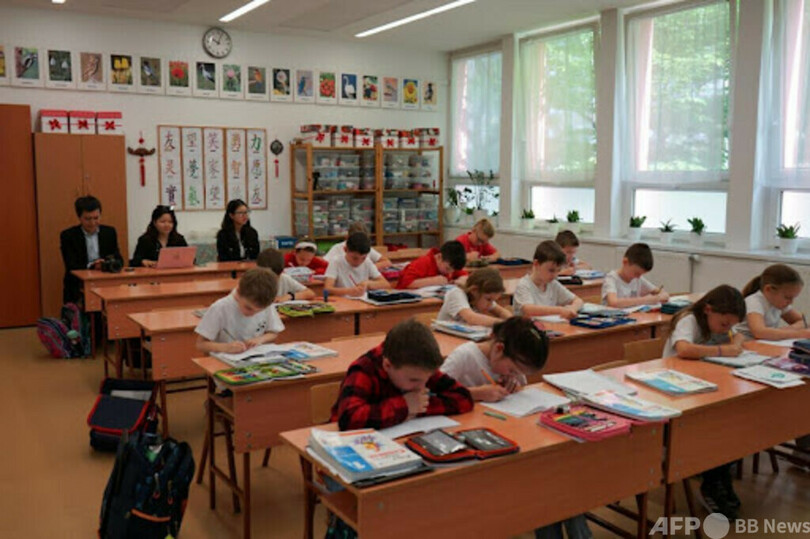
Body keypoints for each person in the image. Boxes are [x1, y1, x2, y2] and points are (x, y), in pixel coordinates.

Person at [661, 284, 747, 520]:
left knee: (732, 421)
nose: (727, 328)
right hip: (674, 392)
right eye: (724, 324)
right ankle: (711, 481)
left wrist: (736, 342)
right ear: (708, 310)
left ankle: (718, 476)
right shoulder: (689, 319)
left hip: (703, 385)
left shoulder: (719, 321)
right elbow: (683, 349)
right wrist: (724, 350)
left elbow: (738, 335)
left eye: (730, 324)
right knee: (715, 427)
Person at [330, 318, 474, 430]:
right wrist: (405, 405)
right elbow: (349, 419)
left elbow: (463, 397)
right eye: (414, 380)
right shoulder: (364, 369)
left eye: (427, 379)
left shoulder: (420, 368)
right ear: (387, 365)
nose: (422, 387)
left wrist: (419, 406)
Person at [440, 317, 549, 402]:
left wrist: (514, 386)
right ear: (499, 348)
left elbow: (521, 387)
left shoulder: (515, 361)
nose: (513, 375)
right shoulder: (464, 355)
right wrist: (475, 394)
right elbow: (434, 392)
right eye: (512, 371)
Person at [195, 268, 284, 354]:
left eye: (258, 311)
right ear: (238, 292)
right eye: (248, 308)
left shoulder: (266, 305)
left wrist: (260, 339)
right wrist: (226, 347)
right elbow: (201, 344)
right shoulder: (220, 308)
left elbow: (273, 333)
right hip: (224, 359)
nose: (252, 314)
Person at [60, 195, 123, 304]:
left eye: (96, 218)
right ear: (79, 217)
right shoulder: (68, 235)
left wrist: (106, 263)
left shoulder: (109, 232)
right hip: (77, 285)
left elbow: (119, 260)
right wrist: (92, 266)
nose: (93, 223)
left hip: (105, 283)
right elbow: (71, 265)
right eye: (88, 219)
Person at [735, 264, 810, 340]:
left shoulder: (779, 303)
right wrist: (797, 334)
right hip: (745, 343)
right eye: (787, 297)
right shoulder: (754, 302)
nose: (791, 302)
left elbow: (803, 322)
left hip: (763, 343)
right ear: (768, 289)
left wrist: (785, 330)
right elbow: (759, 332)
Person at [513, 241, 584, 318]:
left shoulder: (553, 284)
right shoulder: (524, 285)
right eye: (551, 270)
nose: (555, 275)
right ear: (536, 264)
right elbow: (529, 309)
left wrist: (572, 309)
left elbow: (578, 300)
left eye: (558, 270)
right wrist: (560, 310)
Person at [437, 268, 511, 326]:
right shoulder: (456, 294)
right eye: (489, 299)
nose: (490, 305)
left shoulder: (483, 299)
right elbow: (472, 318)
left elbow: (501, 312)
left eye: (493, 300)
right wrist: (503, 324)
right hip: (443, 338)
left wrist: (513, 322)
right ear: (474, 290)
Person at [602, 243, 669, 308]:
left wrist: (661, 296)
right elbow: (613, 303)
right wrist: (645, 300)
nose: (638, 277)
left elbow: (659, 291)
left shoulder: (638, 279)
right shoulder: (611, 278)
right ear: (625, 262)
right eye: (636, 273)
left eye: (641, 274)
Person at [323, 232, 391, 297]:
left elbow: (386, 285)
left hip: (362, 301)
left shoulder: (367, 262)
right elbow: (327, 289)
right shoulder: (336, 262)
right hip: (342, 301)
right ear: (345, 250)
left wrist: (368, 283)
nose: (359, 262)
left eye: (363, 258)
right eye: (355, 258)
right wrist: (349, 291)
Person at [396, 240, 467, 289]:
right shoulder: (423, 263)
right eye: (447, 269)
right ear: (439, 257)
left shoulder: (451, 264)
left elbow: (465, 276)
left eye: (453, 270)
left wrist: (458, 281)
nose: (450, 273)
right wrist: (433, 281)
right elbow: (405, 283)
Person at [323, 221, 392, 270]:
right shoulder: (337, 248)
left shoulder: (365, 247)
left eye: (363, 258)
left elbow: (387, 262)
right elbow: (324, 264)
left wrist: (369, 269)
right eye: (355, 258)